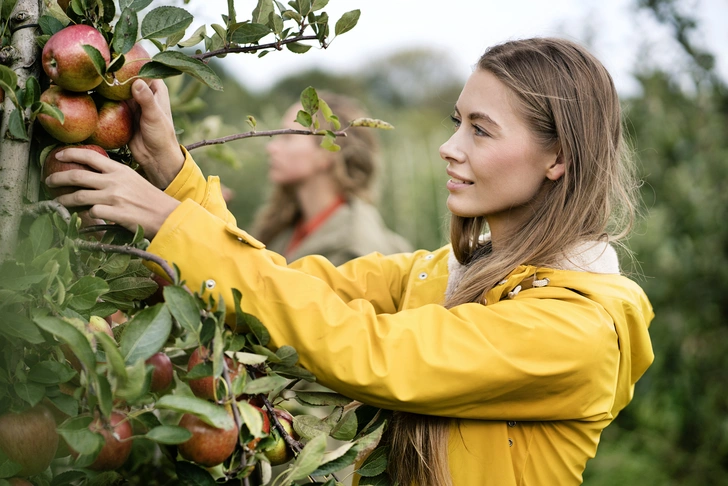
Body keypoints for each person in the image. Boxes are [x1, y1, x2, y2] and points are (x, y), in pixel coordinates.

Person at [46, 37, 655, 485]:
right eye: (455, 122)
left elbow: (366, 351)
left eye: (481, 130)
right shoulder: (442, 273)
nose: (449, 147)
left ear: (558, 159)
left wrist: (168, 222)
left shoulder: (573, 330)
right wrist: (174, 176)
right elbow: (288, 289)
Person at [252, 93, 413, 265]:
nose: (271, 147)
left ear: (328, 152)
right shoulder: (286, 226)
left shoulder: (354, 248)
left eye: (287, 137)